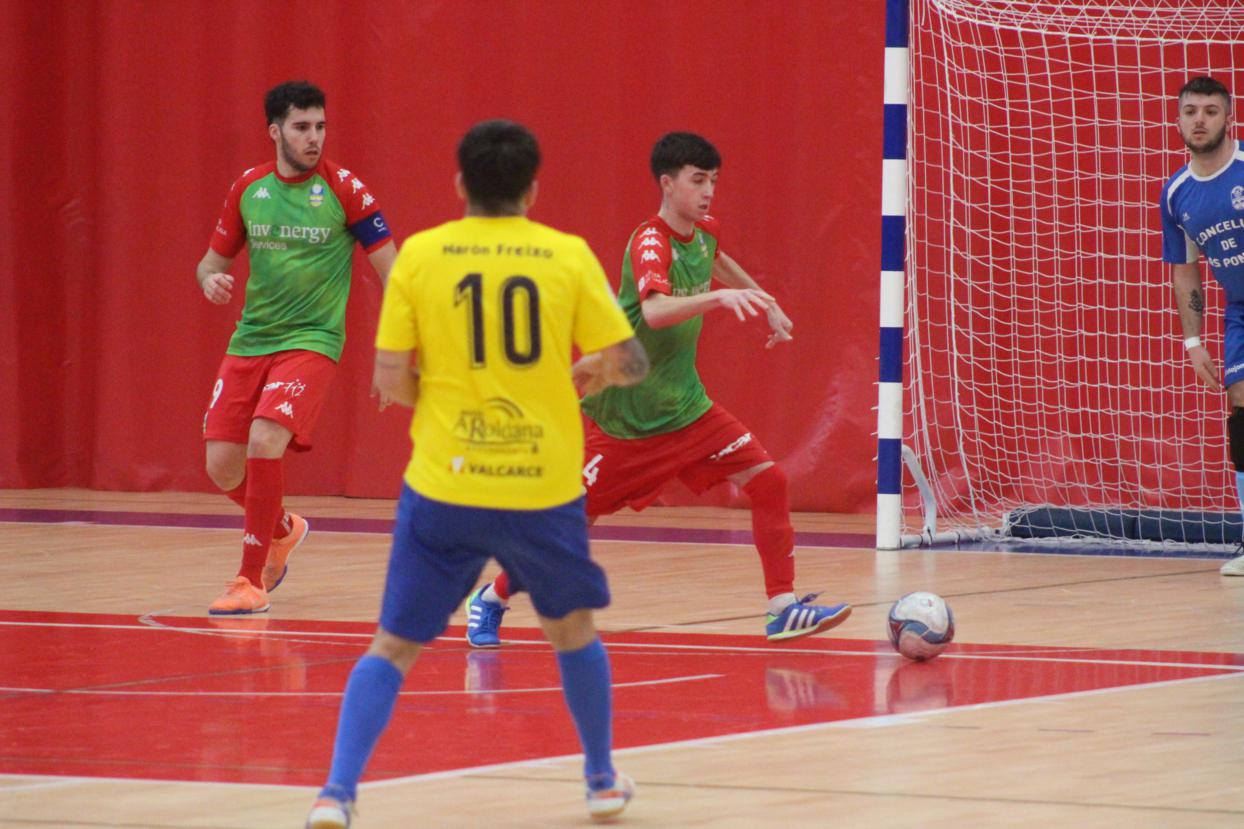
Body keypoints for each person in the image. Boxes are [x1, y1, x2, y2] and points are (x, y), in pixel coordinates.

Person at [305, 120, 648, 828]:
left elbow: (390, 379)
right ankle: (600, 779)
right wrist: (591, 370)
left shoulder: (422, 257)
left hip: (446, 482)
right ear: (533, 189)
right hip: (540, 485)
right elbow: (632, 363)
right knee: (572, 631)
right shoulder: (566, 255)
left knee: (393, 645)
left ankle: (336, 794)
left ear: (460, 183)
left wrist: (444, 397)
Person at [466, 132, 851, 647]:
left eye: (713, 181)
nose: (708, 191)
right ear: (668, 184)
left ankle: (782, 607)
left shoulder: (704, 232)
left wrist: (766, 301)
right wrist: (719, 300)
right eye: (698, 180)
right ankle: (491, 598)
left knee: (769, 481)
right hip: (628, 421)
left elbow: (717, 257)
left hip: (687, 409)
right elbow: (654, 311)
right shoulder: (650, 241)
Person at [196, 80, 397, 614]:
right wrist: (210, 281)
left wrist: (395, 352)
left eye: (321, 126)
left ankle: (249, 581)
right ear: (275, 131)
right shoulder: (249, 188)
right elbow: (210, 263)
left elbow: (394, 274)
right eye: (302, 127)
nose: (315, 137)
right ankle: (283, 529)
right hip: (251, 339)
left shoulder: (346, 190)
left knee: (265, 437)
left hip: (312, 340)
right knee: (221, 466)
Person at [1162, 75, 1244, 576]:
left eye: (1210, 111)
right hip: (1240, 311)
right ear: (1177, 120)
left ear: (1229, 117)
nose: (1200, 120)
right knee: (1242, 407)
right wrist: (1193, 341)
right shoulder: (1176, 194)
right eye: (1191, 111)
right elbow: (1185, 269)